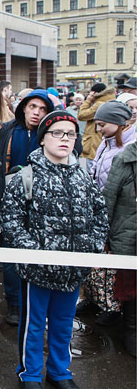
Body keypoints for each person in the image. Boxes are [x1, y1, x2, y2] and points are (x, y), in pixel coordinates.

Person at [2, 111, 108, 389]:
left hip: (73, 270)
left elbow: (100, 213)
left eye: (70, 134)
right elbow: (12, 220)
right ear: (43, 139)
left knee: (63, 323)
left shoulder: (84, 174)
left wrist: (93, 245)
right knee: (34, 325)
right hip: (37, 272)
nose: (65, 139)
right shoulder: (26, 176)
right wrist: (33, 252)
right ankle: (30, 374)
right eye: (57, 133)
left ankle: (60, 371)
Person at [0, 89, 56, 325]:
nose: (37, 113)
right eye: (33, 107)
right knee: (10, 258)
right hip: (9, 205)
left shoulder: (51, 134)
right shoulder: (7, 131)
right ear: (24, 107)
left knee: (39, 257)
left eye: (43, 109)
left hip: (42, 207)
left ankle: (37, 305)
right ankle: (14, 304)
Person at [81, 100, 135, 326]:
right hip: (101, 208)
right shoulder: (106, 142)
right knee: (98, 261)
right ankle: (95, 300)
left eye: (102, 124)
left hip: (121, 215)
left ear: (118, 122)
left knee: (117, 267)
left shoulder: (129, 148)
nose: (98, 129)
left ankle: (113, 308)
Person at [103, 140, 137, 356]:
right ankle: (131, 329)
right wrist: (104, 235)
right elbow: (108, 199)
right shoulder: (124, 160)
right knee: (130, 285)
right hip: (128, 235)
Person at [78, 83, 115, 160]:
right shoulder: (109, 100)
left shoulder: (99, 104)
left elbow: (81, 115)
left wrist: (88, 101)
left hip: (95, 143)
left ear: (94, 93)